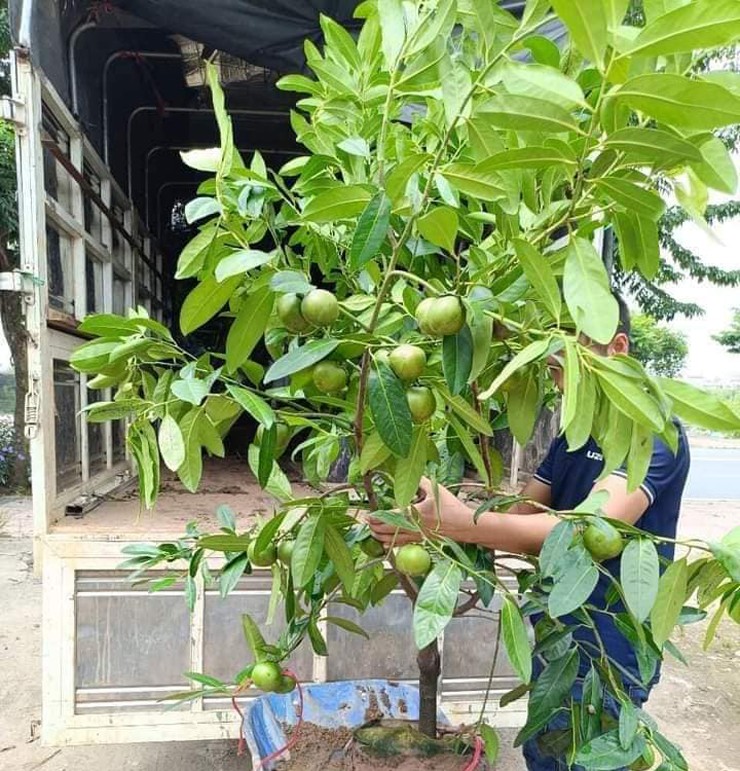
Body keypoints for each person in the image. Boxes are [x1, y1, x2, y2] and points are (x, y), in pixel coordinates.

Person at [369, 295, 691, 771]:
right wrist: (435, 529)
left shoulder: (654, 434)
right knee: (543, 749)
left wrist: (459, 523)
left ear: (617, 348)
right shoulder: (573, 437)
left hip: (612, 644)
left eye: (565, 366)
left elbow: (588, 529)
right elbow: (525, 510)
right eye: (554, 368)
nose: (558, 382)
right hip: (557, 628)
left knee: (590, 755)